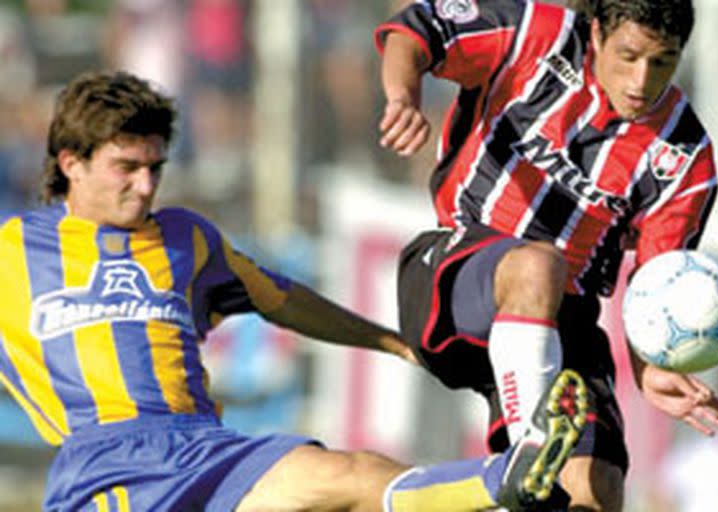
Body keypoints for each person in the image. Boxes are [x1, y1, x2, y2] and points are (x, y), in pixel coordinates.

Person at [0, 70, 589, 511]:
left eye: (155, 167)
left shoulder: (188, 239)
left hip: (208, 449)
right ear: (71, 162)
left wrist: (386, 340)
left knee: (358, 474)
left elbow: (280, 299)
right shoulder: (14, 252)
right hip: (107, 465)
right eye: (126, 167)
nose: (146, 184)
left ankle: (512, 479)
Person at [375, 0, 718, 510]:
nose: (641, 80)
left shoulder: (684, 155)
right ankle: (529, 447)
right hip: (453, 272)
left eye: (662, 63)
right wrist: (403, 96)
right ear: (595, 35)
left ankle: (524, 465)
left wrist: (649, 366)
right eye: (628, 56)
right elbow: (416, 30)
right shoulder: (533, 35)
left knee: (597, 490)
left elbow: (654, 282)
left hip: (564, 322)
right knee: (539, 265)